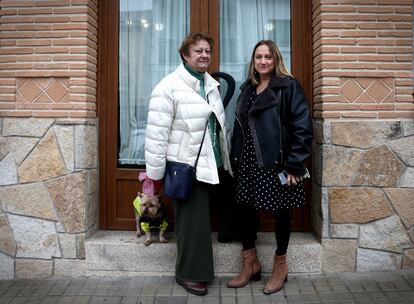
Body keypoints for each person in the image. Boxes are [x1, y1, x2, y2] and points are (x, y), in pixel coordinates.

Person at [144, 32, 233, 296]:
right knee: (191, 224)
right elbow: (156, 134)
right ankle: (188, 274)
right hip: (186, 166)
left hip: (211, 164)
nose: (204, 55)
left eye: (207, 51)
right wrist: (154, 176)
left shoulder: (210, 85)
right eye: (198, 51)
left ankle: (195, 270)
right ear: (185, 54)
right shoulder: (168, 86)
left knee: (202, 221)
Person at [227, 40, 313, 294]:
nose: (262, 61)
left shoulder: (288, 87)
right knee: (243, 209)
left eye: (267, 57)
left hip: (278, 162)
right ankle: (250, 262)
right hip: (249, 160)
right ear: (253, 62)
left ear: (276, 60)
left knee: (281, 212)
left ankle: (280, 266)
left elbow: (302, 126)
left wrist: (295, 164)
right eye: (258, 57)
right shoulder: (248, 89)